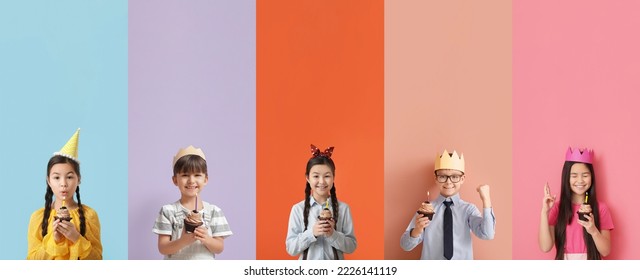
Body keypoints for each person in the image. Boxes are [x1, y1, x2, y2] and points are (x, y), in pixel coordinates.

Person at [400, 149, 495, 259]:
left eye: (454, 177)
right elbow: (405, 246)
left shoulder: (468, 210)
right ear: (436, 178)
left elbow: (487, 234)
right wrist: (417, 230)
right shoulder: (426, 209)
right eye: (443, 176)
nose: (448, 182)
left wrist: (486, 200)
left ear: (462, 179)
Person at [27, 129, 103, 259]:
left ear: (78, 179)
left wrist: (76, 237)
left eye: (69, 177)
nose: (63, 184)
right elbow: (31, 261)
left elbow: (97, 259)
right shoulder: (38, 218)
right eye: (57, 178)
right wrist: (54, 240)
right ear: (48, 181)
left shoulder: (89, 216)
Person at [152, 145, 232, 259]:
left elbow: (219, 248)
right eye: (185, 175)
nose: (191, 180)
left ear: (205, 179)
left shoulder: (214, 211)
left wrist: (207, 239)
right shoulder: (168, 211)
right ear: (175, 180)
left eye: (197, 175)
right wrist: (183, 241)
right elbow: (163, 248)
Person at [538, 147, 613, 260]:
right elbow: (545, 247)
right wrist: (544, 212)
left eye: (585, 175)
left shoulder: (600, 208)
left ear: (592, 177)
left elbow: (606, 251)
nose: (580, 180)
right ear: (566, 178)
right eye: (574, 176)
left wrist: (593, 230)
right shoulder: (557, 208)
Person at [285, 144, 357, 259]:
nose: (322, 181)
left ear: (334, 177)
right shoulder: (298, 209)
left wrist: (333, 234)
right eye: (316, 176)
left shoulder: (343, 208)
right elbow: (291, 249)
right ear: (308, 178)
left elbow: (351, 246)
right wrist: (311, 233)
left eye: (327, 176)